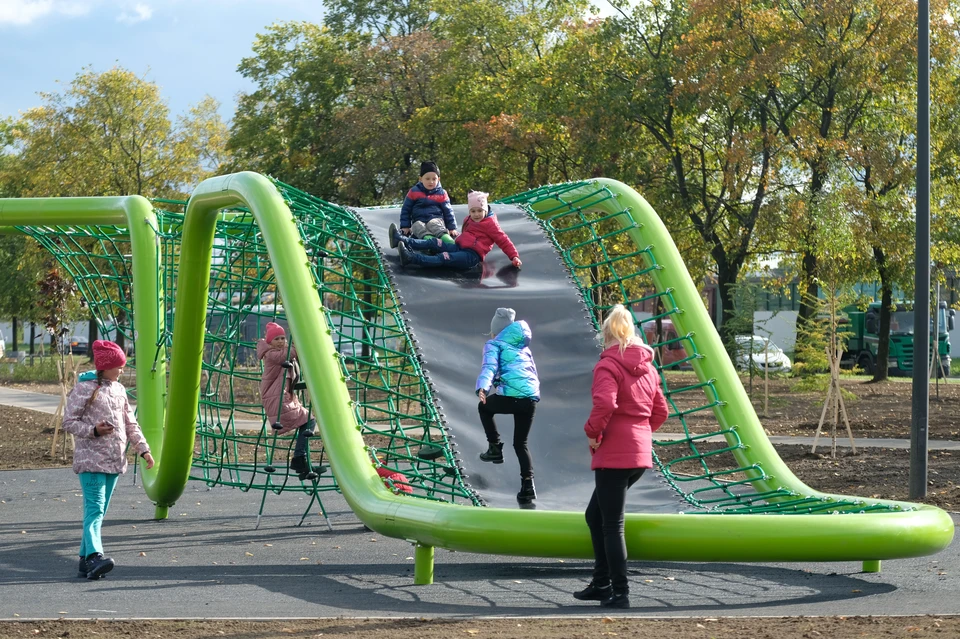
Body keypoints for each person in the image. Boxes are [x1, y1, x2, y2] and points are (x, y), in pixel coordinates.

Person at [573, 304, 668, 609]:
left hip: (614, 452)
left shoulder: (607, 365)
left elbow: (605, 403)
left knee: (612, 524)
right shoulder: (649, 367)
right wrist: (640, 433)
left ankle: (620, 591)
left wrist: (592, 432)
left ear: (606, 333)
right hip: (638, 454)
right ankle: (601, 582)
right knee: (595, 515)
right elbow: (660, 411)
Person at [62, 340, 154, 580]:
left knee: (100, 510)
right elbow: (69, 421)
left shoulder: (119, 389)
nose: (121, 370)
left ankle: (84, 560)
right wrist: (93, 430)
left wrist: (143, 449)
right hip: (91, 460)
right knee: (94, 508)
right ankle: (95, 556)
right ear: (105, 366)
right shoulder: (84, 388)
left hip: (114, 459)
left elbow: (130, 423)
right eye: (118, 366)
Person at [475, 307, 540, 505]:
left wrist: (482, 388)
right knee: (521, 444)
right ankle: (528, 487)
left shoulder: (494, 344)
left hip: (512, 396)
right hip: (530, 398)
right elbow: (530, 372)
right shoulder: (524, 347)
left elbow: (489, 367)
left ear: (496, 331)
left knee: (484, 407)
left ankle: (494, 446)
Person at [397, 191, 523, 271]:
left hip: (471, 256)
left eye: (479, 211)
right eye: (473, 211)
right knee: (435, 242)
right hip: (459, 247)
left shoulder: (491, 224)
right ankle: (403, 240)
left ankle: (411, 258)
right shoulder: (469, 219)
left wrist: (514, 256)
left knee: (444, 257)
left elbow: (503, 240)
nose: (476, 214)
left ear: (485, 210)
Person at [256, 322, 319, 480]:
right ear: (269, 341)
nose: (281, 341)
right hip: (277, 399)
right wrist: (301, 341)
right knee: (308, 420)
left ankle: (301, 462)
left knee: (308, 421)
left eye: (283, 338)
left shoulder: (279, 351)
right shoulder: (271, 354)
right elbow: (289, 355)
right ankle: (299, 459)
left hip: (282, 397)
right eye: (276, 338)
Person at [389, 160, 458, 248]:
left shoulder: (441, 193)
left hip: (436, 219)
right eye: (427, 179)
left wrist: (452, 228)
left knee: (433, 224)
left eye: (434, 179)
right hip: (419, 220)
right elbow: (406, 209)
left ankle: (449, 241)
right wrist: (405, 226)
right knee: (417, 226)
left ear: (439, 179)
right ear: (421, 179)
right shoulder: (414, 191)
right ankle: (430, 241)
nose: (431, 182)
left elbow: (448, 211)